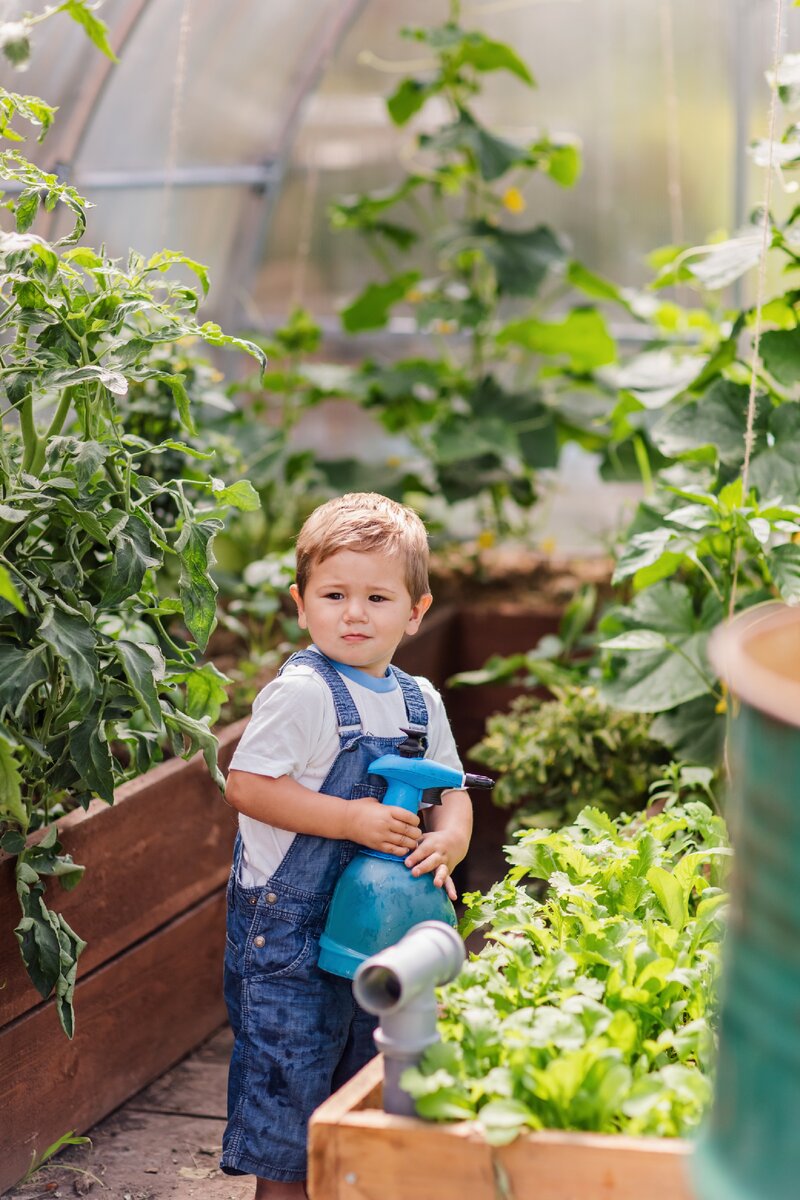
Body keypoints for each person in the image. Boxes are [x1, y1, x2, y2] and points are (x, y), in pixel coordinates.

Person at [219, 492, 473, 1199]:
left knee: (364, 1084)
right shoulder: (302, 693)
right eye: (334, 594)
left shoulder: (420, 700)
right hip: (291, 939)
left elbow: (452, 794)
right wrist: (353, 820)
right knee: (290, 1102)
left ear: (415, 613)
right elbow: (247, 786)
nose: (353, 613)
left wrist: (446, 843)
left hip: (375, 928)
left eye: (376, 597)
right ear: (302, 606)